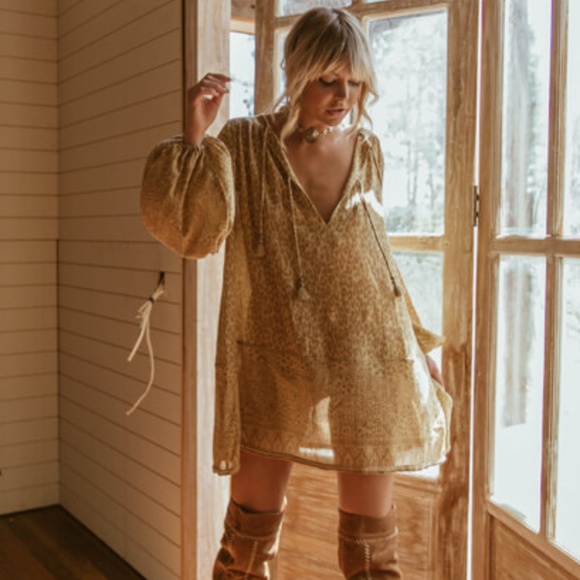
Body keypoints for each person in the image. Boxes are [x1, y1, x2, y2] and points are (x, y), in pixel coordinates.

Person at [140, 7, 452, 579]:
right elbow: (191, 231)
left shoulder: (367, 149)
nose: (343, 96)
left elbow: (377, 257)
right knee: (247, 541)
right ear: (296, 71)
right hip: (272, 356)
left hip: (368, 354)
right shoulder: (243, 143)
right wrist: (193, 136)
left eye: (354, 82)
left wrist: (414, 343)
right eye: (328, 79)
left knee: (371, 552)